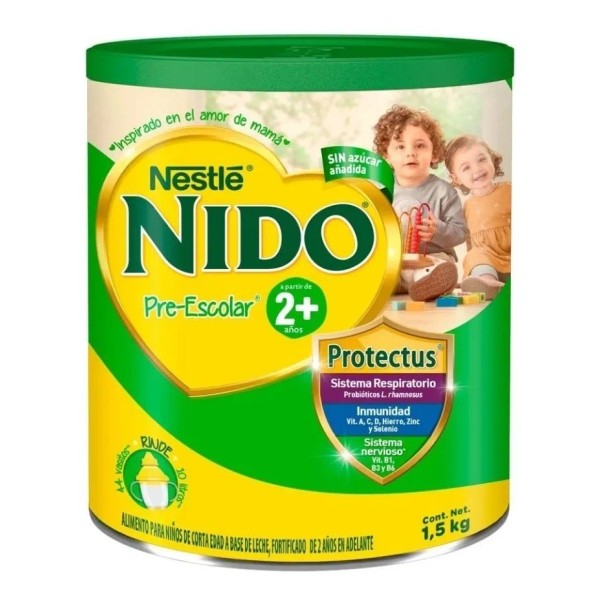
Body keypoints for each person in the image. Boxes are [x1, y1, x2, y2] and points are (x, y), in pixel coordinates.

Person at [373, 105, 467, 301]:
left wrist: (438, 230)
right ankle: (389, 285)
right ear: (386, 155)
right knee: (375, 268)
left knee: (439, 265)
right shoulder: (381, 193)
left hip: (430, 260)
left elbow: (461, 232)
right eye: (400, 147)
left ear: (434, 153)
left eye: (420, 145)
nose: (411, 153)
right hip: (395, 263)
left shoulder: (444, 192)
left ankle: (427, 284)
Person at [445, 135, 511, 300]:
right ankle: (485, 282)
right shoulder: (467, 206)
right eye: (466, 167)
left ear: (492, 159)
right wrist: (474, 268)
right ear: (456, 178)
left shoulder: (510, 190)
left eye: (482, 159)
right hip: (490, 265)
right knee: (474, 255)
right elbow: (470, 241)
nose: (477, 169)